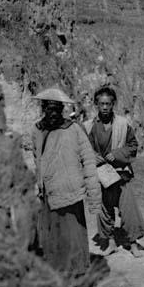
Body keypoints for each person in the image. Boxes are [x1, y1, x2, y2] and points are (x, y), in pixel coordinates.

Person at [32, 86, 101, 275]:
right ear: (43, 109)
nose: (52, 113)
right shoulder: (37, 130)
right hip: (48, 194)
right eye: (48, 109)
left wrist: (94, 196)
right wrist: (39, 183)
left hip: (70, 193)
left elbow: (88, 160)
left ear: (62, 110)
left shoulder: (74, 129)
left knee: (73, 235)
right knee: (51, 236)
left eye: (56, 109)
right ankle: (56, 272)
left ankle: (78, 274)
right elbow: (37, 158)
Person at [84, 86, 144, 257]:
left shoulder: (123, 124)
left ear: (113, 104)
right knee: (104, 209)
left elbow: (133, 146)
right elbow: (83, 148)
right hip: (101, 175)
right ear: (96, 104)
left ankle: (133, 243)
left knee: (128, 209)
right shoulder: (88, 126)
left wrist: (118, 154)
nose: (105, 107)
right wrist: (93, 156)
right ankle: (111, 242)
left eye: (108, 104)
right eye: (101, 104)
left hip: (120, 174)